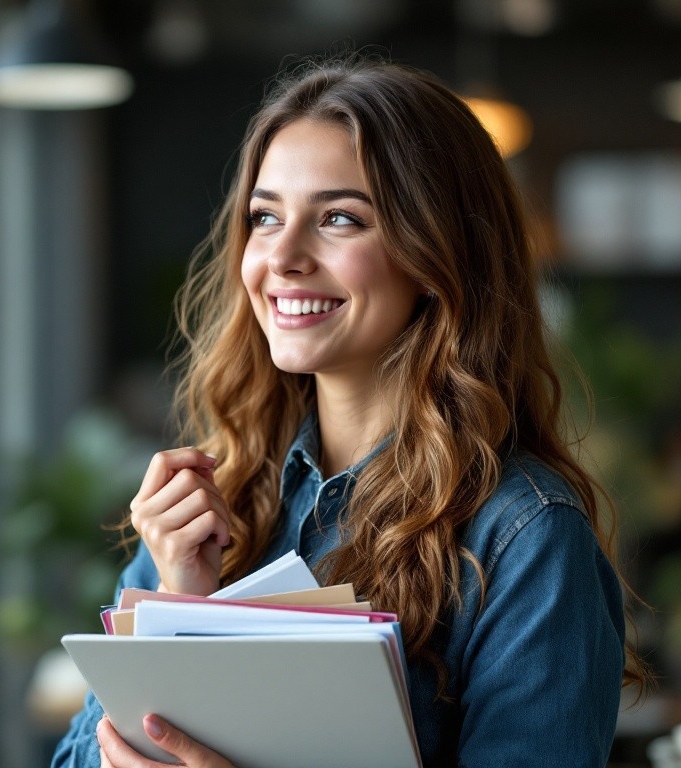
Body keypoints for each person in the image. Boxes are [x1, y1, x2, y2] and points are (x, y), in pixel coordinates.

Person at [51, 54, 648, 768]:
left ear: (436, 256)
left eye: (339, 218)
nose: (284, 256)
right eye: (265, 217)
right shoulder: (215, 500)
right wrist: (183, 608)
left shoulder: (524, 539)